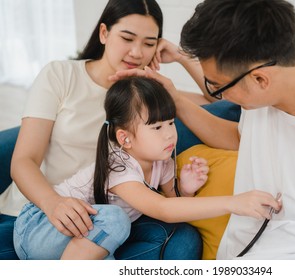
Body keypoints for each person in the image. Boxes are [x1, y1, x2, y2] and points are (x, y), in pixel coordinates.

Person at [110, 0, 295, 259]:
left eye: (216, 86)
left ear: (260, 79)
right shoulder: (266, 97)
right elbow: (239, 139)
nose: (215, 94)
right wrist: (176, 100)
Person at [0, 0, 237, 260]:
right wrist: (53, 203)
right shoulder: (60, 75)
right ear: (104, 33)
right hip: (44, 212)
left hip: (106, 216)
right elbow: (23, 161)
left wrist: (181, 56)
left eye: (149, 43)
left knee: (184, 241)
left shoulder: (147, 95)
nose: (137, 52)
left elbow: (225, 101)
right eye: (127, 38)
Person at [13, 76, 278, 260]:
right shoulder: (119, 166)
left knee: (110, 244)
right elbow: (161, 208)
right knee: (115, 221)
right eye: (157, 128)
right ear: (124, 138)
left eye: (171, 123)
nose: (170, 135)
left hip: (83, 240)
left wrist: (184, 190)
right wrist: (234, 202)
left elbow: (172, 207)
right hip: (40, 228)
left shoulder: (162, 162)